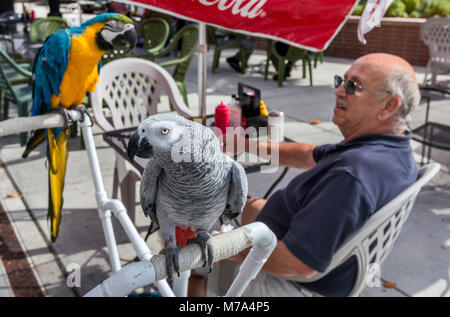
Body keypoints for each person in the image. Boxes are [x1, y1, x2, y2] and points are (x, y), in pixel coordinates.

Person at [189, 53, 421, 297]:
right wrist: (245, 145)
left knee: (192, 255)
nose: (339, 91)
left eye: (353, 86)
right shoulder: (391, 147)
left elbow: (297, 263)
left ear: (389, 106)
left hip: (287, 281)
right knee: (247, 204)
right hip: (323, 252)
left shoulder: (352, 173)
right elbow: (309, 154)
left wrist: (228, 245)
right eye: (341, 81)